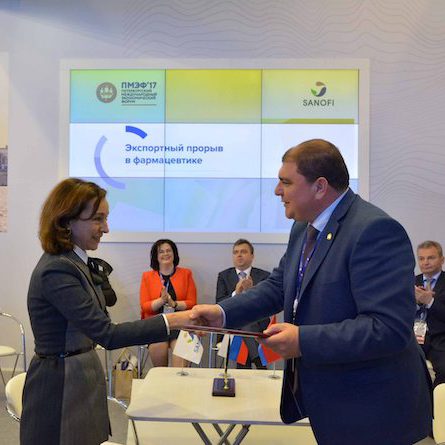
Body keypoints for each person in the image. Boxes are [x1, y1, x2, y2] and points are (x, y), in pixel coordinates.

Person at [190, 139, 432, 445]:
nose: (277, 191)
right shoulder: (304, 227)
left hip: (376, 413)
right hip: (334, 406)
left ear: (319, 187)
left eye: (286, 182)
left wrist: (302, 340)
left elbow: (387, 328)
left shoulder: (375, 230)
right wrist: (223, 312)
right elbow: (280, 286)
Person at [21, 178, 189, 445]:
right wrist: (175, 320)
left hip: (80, 377)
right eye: (98, 219)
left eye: (106, 218)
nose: (106, 228)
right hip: (61, 385)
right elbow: (107, 334)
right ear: (67, 220)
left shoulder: (76, 263)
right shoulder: (57, 269)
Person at [140, 239, 197, 367]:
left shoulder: (186, 274)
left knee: (180, 358)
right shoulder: (147, 276)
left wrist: (174, 304)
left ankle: (178, 380)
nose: (165, 254)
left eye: (168, 251)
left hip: (181, 324)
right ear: (156, 256)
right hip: (156, 325)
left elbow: (192, 303)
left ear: (174, 254)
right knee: (159, 350)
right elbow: (145, 306)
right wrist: (162, 300)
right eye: (161, 251)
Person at [216, 238, 270, 369]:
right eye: (236, 252)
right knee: (243, 323)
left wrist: (252, 292)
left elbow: (267, 304)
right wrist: (236, 292)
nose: (239, 255)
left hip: (258, 323)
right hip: (231, 323)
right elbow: (219, 303)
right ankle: (259, 363)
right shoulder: (224, 276)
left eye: (243, 252)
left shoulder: (264, 276)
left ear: (252, 256)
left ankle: (245, 369)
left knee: (245, 324)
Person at [415, 240, 445, 386]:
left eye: (431, 258)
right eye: (421, 258)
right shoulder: (411, 282)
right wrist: (415, 303)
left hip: (440, 339)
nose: (425, 262)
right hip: (414, 339)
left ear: (442, 260)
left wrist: (430, 301)